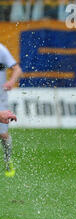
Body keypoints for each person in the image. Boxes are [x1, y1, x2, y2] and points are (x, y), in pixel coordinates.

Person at [0, 43, 22, 177]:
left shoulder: (1, 50)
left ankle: (8, 161)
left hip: (0, 99)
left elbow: (17, 69)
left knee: (2, 134)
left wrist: (12, 81)